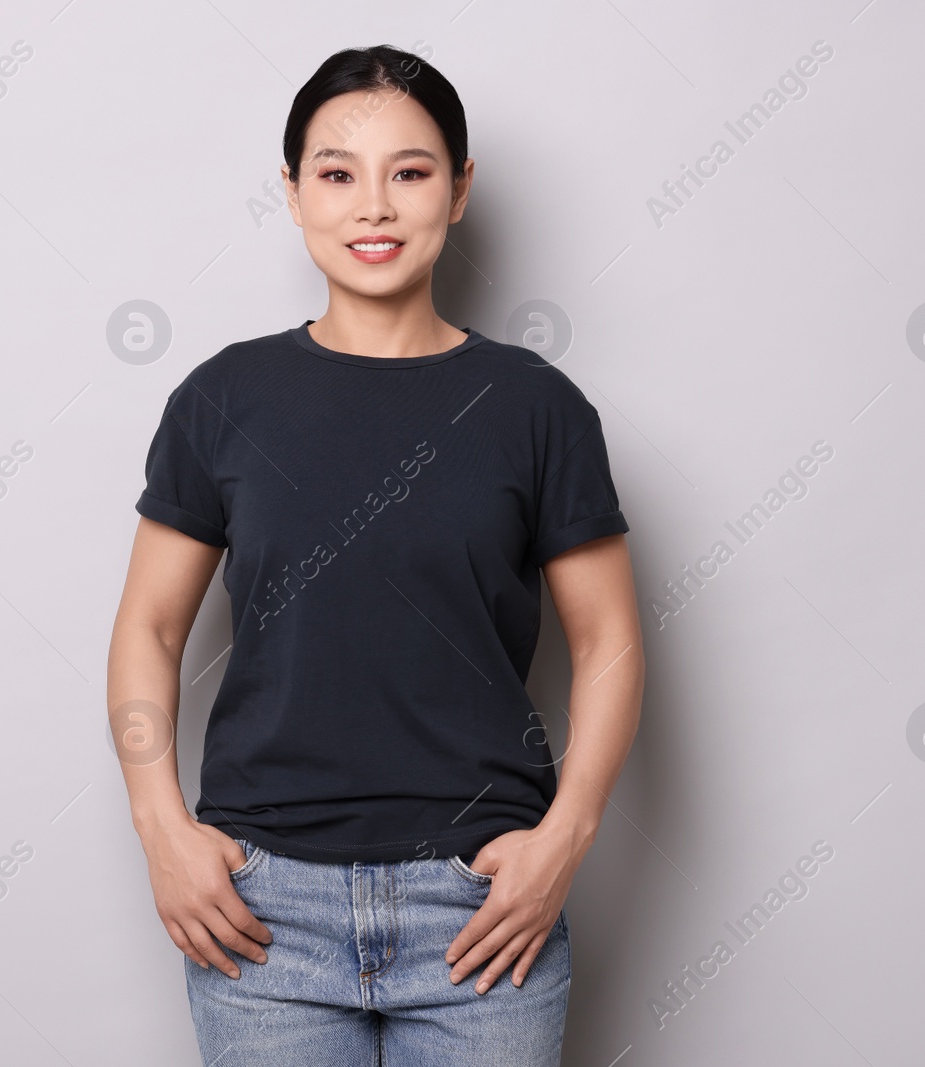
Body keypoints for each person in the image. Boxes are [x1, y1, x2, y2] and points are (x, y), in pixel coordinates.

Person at [107, 43, 644, 1067]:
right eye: (337, 173)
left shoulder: (535, 408)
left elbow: (609, 635)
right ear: (293, 190)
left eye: (410, 171)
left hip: (481, 909)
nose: (374, 207)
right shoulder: (224, 400)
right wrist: (159, 827)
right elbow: (149, 625)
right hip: (263, 910)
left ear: (459, 188)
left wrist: (562, 840)